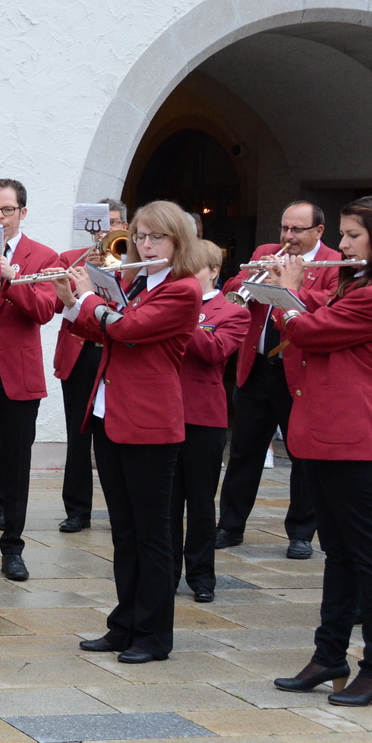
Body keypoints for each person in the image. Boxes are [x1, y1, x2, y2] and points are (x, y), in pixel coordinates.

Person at [271, 196, 372, 706]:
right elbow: (323, 320)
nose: (345, 244)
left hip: (359, 438)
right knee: (339, 552)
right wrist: (289, 291)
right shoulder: (358, 285)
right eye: (347, 235)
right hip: (328, 434)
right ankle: (329, 654)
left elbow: (310, 333)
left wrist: (287, 292)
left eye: (354, 236)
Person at [56, 200, 204, 664]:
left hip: (150, 422)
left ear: (178, 242)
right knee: (123, 530)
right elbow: (107, 333)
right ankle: (124, 624)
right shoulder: (137, 281)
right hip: (110, 413)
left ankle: (154, 635)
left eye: (155, 237)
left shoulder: (181, 290)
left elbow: (131, 329)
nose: (144, 244)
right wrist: (71, 302)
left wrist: (89, 301)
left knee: (152, 533)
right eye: (140, 235)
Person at [215, 201, 340, 558]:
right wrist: (258, 279)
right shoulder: (266, 252)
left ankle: (300, 533)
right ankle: (230, 525)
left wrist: (290, 287)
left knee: (302, 454)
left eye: (297, 230)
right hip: (256, 367)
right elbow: (234, 286)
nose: (288, 237)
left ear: (318, 230)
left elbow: (329, 305)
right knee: (243, 452)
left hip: (299, 372)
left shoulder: (331, 262)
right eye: (284, 228)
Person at [0, 178, 59, 582]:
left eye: (7, 210)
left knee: (16, 463)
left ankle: (13, 546)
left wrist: (10, 277)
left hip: (19, 374)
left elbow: (44, 309)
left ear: (23, 212)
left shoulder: (43, 256)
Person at [171, 243, 247, 604]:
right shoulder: (167, 301)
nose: (187, 276)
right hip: (165, 412)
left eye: (195, 269)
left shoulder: (232, 311)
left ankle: (202, 576)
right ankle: (166, 572)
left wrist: (183, 316)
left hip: (203, 416)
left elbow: (216, 351)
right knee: (167, 502)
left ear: (214, 270)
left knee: (200, 501)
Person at [52, 197, 125, 533]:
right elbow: (55, 304)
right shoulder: (72, 259)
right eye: (101, 221)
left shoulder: (133, 262)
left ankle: (118, 506)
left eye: (113, 222)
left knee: (113, 435)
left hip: (118, 353)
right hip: (82, 354)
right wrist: (83, 268)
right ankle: (77, 510)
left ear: (124, 226)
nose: (107, 229)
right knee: (77, 435)